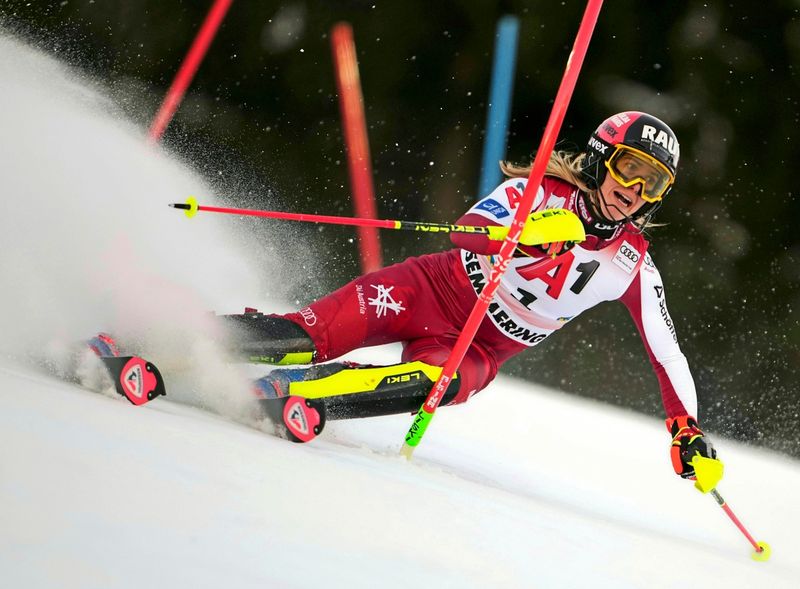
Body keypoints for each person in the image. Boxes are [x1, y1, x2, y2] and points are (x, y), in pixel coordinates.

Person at [223, 111, 717, 480]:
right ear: (600, 157)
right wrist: (521, 237)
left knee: (441, 383)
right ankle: (189, 333)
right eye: (629, 168)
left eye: (652, 183)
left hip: (478, 348)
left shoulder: (633, 265)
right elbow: (467, 231)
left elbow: (666, 353)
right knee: (304, 335)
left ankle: (300, 390)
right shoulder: (540, 191)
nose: (634, 190)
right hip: (426, 290)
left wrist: (686, 428)